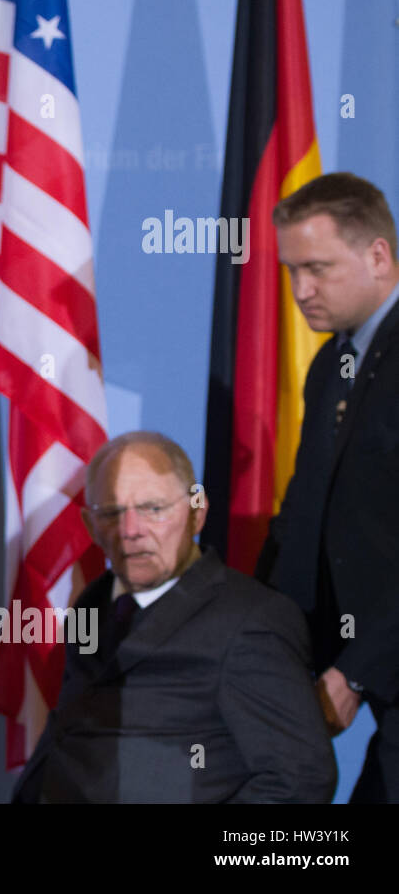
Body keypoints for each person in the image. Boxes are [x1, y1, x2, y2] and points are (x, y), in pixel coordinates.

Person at [13, 431, 336, 802]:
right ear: (90, 527)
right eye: (112, 513)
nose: (131, 531)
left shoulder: (251, 620)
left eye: (153, 508)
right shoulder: (92, 603)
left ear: (197, 514)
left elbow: (300, 778)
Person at [256, 171, 399, 802]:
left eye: (317, 268)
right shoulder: (329, 365)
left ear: (378, 255)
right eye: (290, 271)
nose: (300, 291)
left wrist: (358, 672)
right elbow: (304, 516)